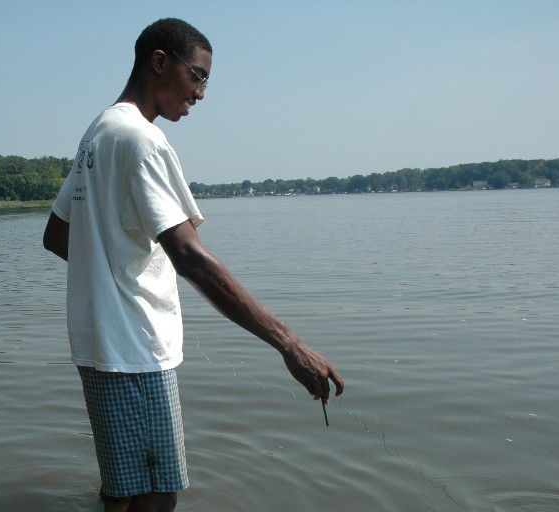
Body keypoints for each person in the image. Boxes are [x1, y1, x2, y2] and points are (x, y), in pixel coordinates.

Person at [43, 18, 344, 512]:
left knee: (121, 491)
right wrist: (289, 344)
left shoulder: (98, 132)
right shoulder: (141, 140)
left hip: (99, 344)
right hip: (134, 351)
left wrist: (108, 265)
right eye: (197, 76)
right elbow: (191, 257)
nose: (201, 93)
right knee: (158, 497)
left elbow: (58, 235)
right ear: (160, 62)